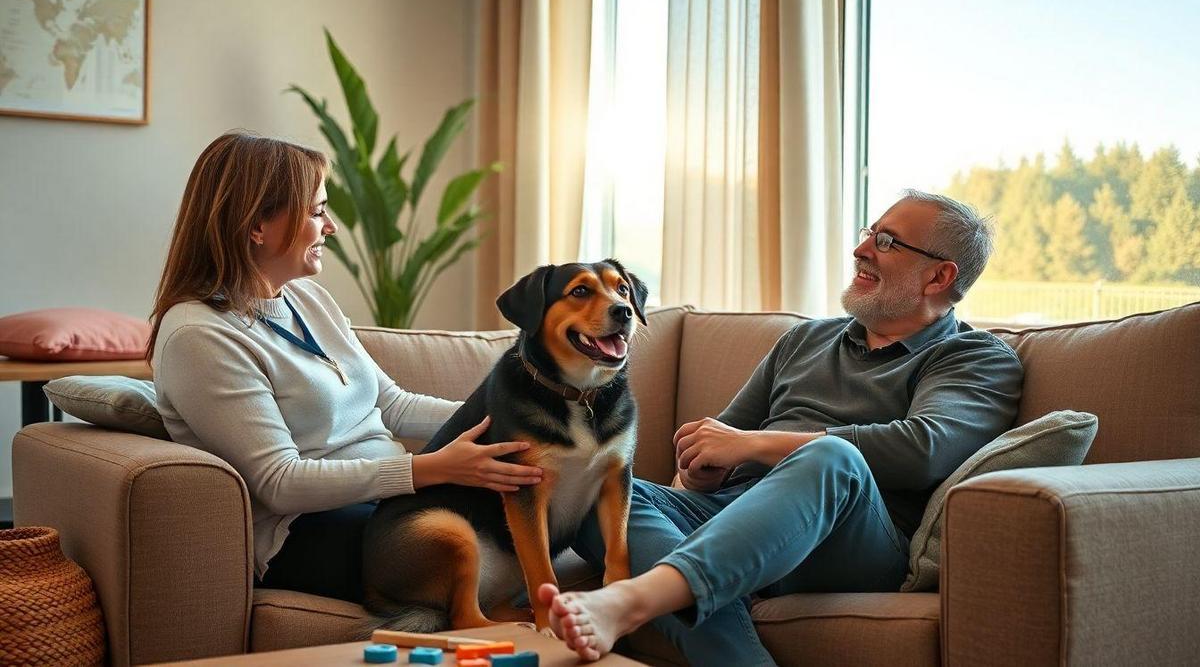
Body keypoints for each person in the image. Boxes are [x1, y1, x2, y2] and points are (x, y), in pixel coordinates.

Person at [541, 190, 1024, 665]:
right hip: (735, 515)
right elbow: (724, 442)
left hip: (850, 541)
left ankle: (634, 599)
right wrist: (705, 468)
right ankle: (713, 596)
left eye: (888, 242)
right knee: (593, 492)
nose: (861, 250)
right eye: (870, 234)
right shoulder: (805, 339)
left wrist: (753, 446)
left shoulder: (973, 356)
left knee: (830, 457)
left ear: (939, 276)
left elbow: (924, 450)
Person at [148, 132, 542, 604]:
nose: (330, 226)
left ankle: (640, 592)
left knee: (565, 479)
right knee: (544, 506)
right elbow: (279, 482)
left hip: (383, 502)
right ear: (257, 226)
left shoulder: (306, 298)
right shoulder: (199, 336)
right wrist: (427, 470)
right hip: (308, 533)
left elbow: (391, 403)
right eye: (316, 212)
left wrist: (517, 419)